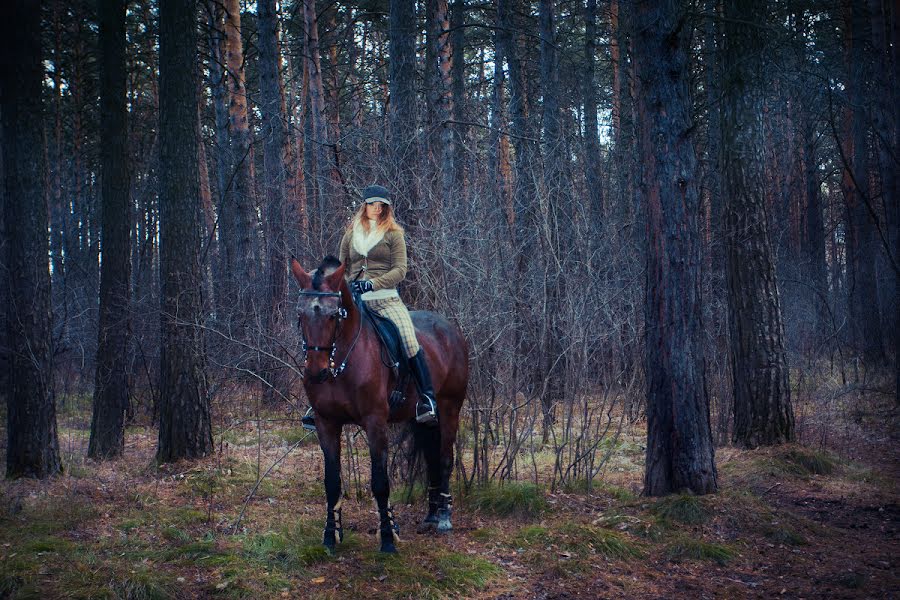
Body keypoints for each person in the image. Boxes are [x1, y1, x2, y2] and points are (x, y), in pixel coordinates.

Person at [301, 184, 438, 430]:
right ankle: (318, 404)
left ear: (386, 207)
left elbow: (400, 270)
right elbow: (339, 266)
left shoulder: (394, 234)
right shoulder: (351, 234)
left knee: (408, 339)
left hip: (385, 299)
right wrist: (326, 281)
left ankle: (426, 398)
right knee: (327, 337)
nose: (377, 208)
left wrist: (372, 284)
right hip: (353, 301)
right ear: (364, 206)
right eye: (372, 203)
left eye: (381, 204)